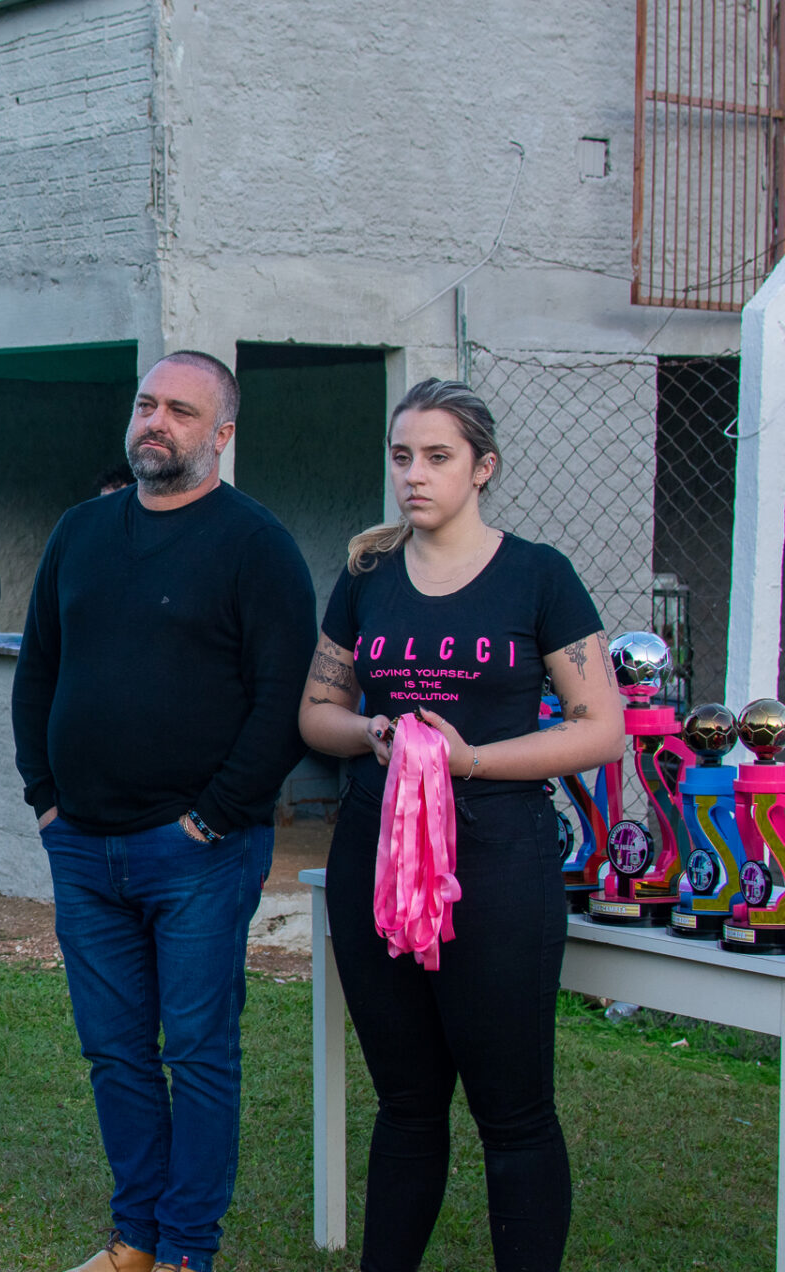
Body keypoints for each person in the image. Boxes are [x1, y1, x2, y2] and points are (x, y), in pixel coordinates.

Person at [297, 379, 624, 1272]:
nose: (414, 475)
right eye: (402, 456)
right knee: (406, 1103)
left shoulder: (538, 575)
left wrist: (470, 758)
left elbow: (602, 730)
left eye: (437, 457)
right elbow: (316, 711)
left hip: (498, 863)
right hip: (379, 857)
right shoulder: (366, 575)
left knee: (513, 1113)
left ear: (484, 469)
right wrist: (370, 732)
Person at [11, 351, 316, 1272]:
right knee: (114, 1055)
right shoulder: (81, 531)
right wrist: (44, 799)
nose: (156, 423)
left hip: (197, 854)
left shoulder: (255, 545)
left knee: (200, 1053)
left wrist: (215, 817)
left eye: (181, 411)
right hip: (83, 851)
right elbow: (39, 670)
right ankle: (135, 1238)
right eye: (147, 405)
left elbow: (283, 700)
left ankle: (187, 1249)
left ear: (220, 435)